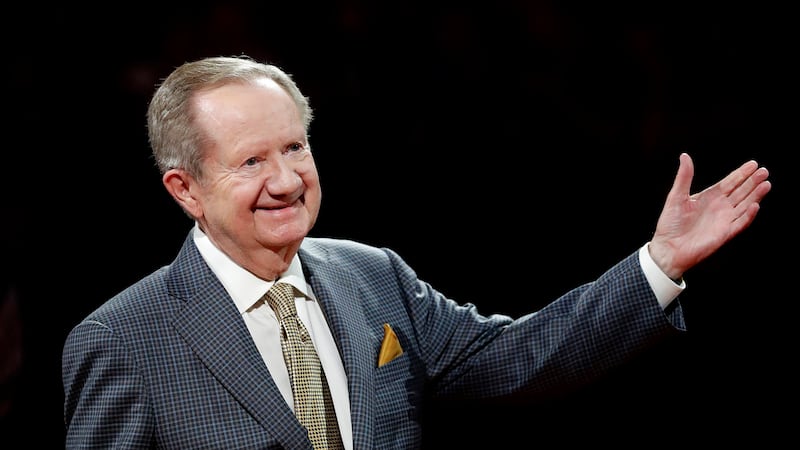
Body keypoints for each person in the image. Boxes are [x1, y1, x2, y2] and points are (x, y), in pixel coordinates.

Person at [61, 55, 771, 449]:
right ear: (185, 189)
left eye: (295, 148)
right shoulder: (123, 340)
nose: (286, 181)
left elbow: (519, 359)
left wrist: (660, 264)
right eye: (251, 162)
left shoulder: (373, 277)